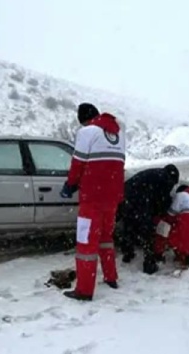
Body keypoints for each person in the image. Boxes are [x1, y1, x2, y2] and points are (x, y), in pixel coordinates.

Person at [60, 103, 126, 301]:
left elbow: (78, 163)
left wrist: (70, 185)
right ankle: (111, 277)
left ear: (84, 120)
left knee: (86, 244)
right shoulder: (119, 134)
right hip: (112, 198)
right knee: (106, 239)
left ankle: (84, 290)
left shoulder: (87, 132)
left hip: (92, 199)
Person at [119, 164, 180, 274]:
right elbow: (162, 201)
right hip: (139, 200)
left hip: (125, 195)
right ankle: (149, 264)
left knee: (129, 224)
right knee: (147, 231)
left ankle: (127, 253)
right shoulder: (166, 179)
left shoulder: (154, 173)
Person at [153, 184, 189, 270]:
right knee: (184, 236)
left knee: (164, 226)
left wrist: (156, 220)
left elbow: (169, 217)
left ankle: (158, 254)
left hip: (184, 237)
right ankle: (188, 255)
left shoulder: (182, 195)